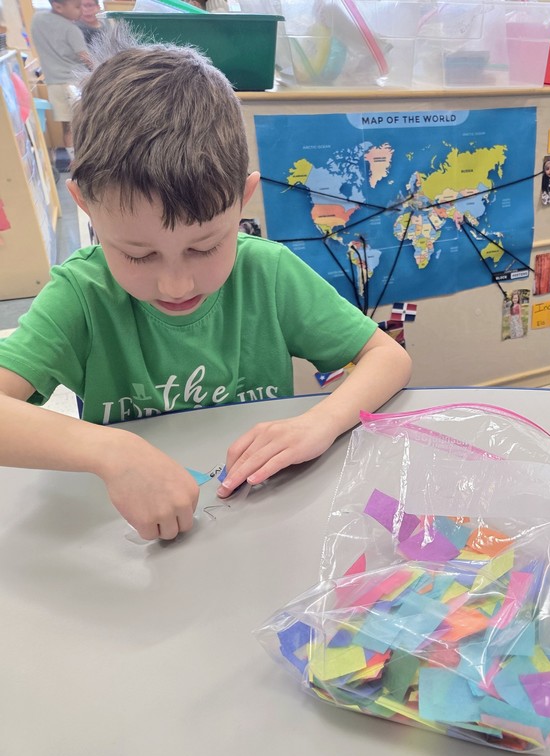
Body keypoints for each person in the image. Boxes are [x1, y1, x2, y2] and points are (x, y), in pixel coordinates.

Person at [0, 40, 412, 541]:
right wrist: (111, 451)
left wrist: (319, 422)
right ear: (85, 204)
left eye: (204, 247)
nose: (176, 284)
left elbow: (386, 357)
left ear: (243, 199)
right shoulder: (82, 295)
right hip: (135, 539)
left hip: (257, 527)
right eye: (138, 254)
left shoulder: (268, 273)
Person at [30, 0, 91, 152]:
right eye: (77, 7)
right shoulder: (71, 30)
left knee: (68, 128)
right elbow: (85, 57)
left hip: (54, 84)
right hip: (75, 83)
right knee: (85, 126)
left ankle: (73, 162)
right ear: (58, 6)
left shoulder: (37, 20)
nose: (81, 11)